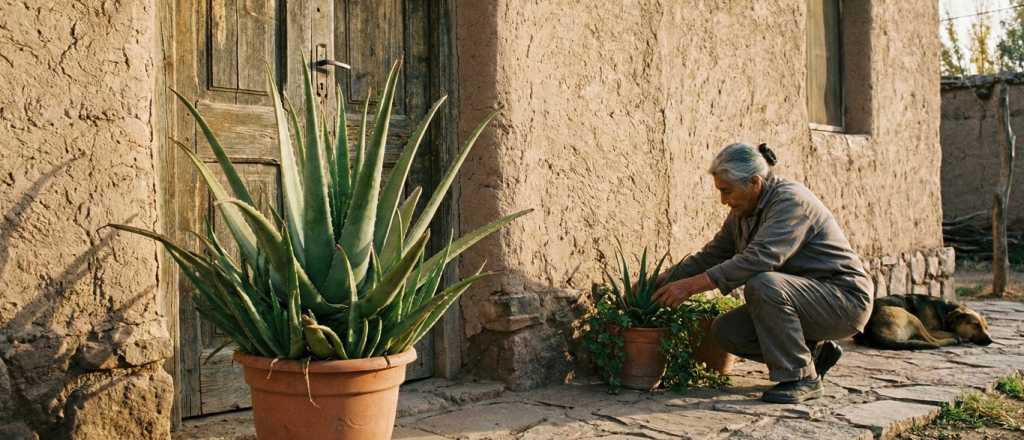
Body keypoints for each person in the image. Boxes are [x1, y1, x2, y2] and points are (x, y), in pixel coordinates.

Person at [652, 142, 873, 403]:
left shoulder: (791, 201)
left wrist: (689, 287)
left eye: (727, 191)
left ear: (754, 182)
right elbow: (711, 256)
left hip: (844, 300)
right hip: (806, 300)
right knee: (726, 331)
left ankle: (802, 379)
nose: (723, 200)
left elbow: (760, 258)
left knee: (764, 283)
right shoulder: (742, 213)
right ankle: (813, 357)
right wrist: (660, 283)